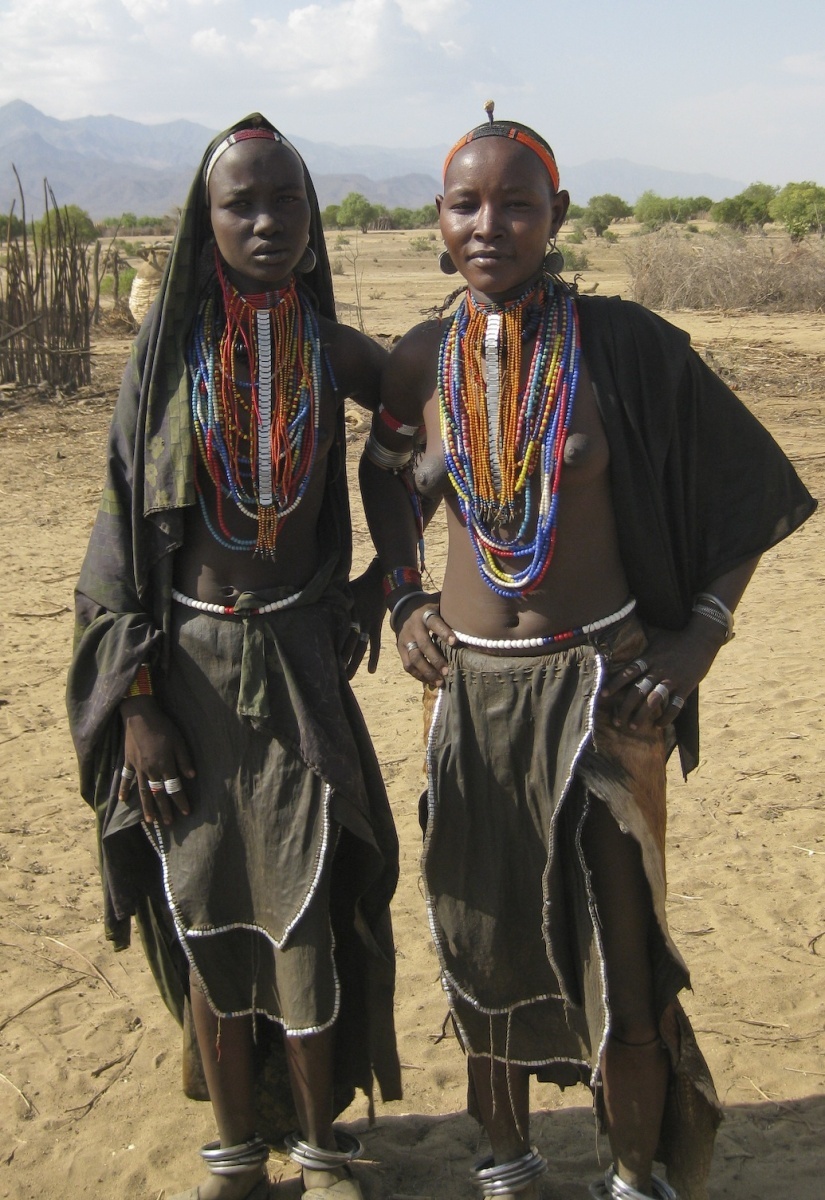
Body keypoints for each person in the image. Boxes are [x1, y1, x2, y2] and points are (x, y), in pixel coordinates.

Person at [359, 105, 816, 1200]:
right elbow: (384, 484)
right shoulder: (423, 359)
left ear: (557, 217)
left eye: (518, 203)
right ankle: (506, 1161)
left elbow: (750, 490)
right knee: (482, 930)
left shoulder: (627, 349)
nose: (490, 224)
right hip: (467, 692)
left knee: (623, 941)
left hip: (608, 690)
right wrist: (400, 593)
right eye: (467, 204)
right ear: (437, 219)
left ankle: (629, 1175)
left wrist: (700, 634)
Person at [67, 114, 401, 1200]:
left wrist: (383, 579)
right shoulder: (166, 353)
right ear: (204, 225)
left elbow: (422, 422)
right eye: (241, 203)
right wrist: (138, 706)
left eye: (286, 201)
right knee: (206, 909)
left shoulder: (329, 346)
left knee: (306, 908)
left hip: (300, 669)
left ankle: (316, 1140)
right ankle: (235, 1157)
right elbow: (119, 537)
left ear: (313, 221)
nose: (266, 221)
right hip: (191, 678)